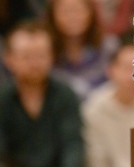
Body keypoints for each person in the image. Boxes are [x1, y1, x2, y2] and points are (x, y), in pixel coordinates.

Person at [0, 21, 84, 167]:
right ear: (8, 59)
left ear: (52, 56)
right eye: (26, 57)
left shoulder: (65, 94)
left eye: (41, 55)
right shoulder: (3, 99)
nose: (35, 63)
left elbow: (73, 147)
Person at [83, 36, 134, 167]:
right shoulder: (94, 109)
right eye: (126, 68)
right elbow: (96, 160)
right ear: (111, 70)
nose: (132, 75)